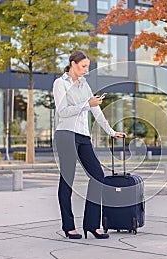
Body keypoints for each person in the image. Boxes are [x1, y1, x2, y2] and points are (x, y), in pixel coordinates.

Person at [53, 50, 126, 240]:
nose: (86, 70)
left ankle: (92, 225)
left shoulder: (85, 85)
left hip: (83, 136)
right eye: (83, 66)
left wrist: (111, 131)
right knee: (67, 180)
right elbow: (63, 111)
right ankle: (68, 227)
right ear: (73, 64)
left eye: (87, 66)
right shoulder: (60, 83)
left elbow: (96, 111)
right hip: (66, 135)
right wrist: (87, 104)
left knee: (98, 176)